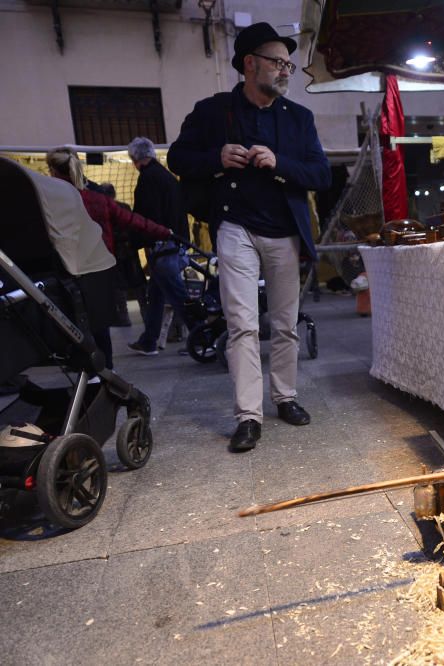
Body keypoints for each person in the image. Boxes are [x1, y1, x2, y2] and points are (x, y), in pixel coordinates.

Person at [168, 22, 331, 452]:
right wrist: (216, 158)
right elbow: (177, 158)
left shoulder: (299, 118)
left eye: (289, 65)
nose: (285, 72)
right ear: (250, 64)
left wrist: (278, 163)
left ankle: (286, 397)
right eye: (278, 63)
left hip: (285, 233)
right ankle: (248, 416)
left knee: (285, 324)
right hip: (235, 226)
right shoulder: (212, 111)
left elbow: (320, 174)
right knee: (241, 324)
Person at [45, 147, 171, 369]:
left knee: (71, 320)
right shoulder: (97, 199)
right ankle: (107, 368)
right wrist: (164, 231)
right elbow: (132, 220)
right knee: (100, 322)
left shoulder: (52, 202)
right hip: (100, 268)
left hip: (68, 268)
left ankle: (82, 366)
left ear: (53, 171)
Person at [125, 136, 197, 356]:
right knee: (155, 295)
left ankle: (202, 334)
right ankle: (149, 340)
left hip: (164, 247)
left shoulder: (148, 180)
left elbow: (147, 217)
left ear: (135, 159)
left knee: (177, 296)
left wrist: (135, 242)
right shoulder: (167, 177)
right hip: (176, 244)